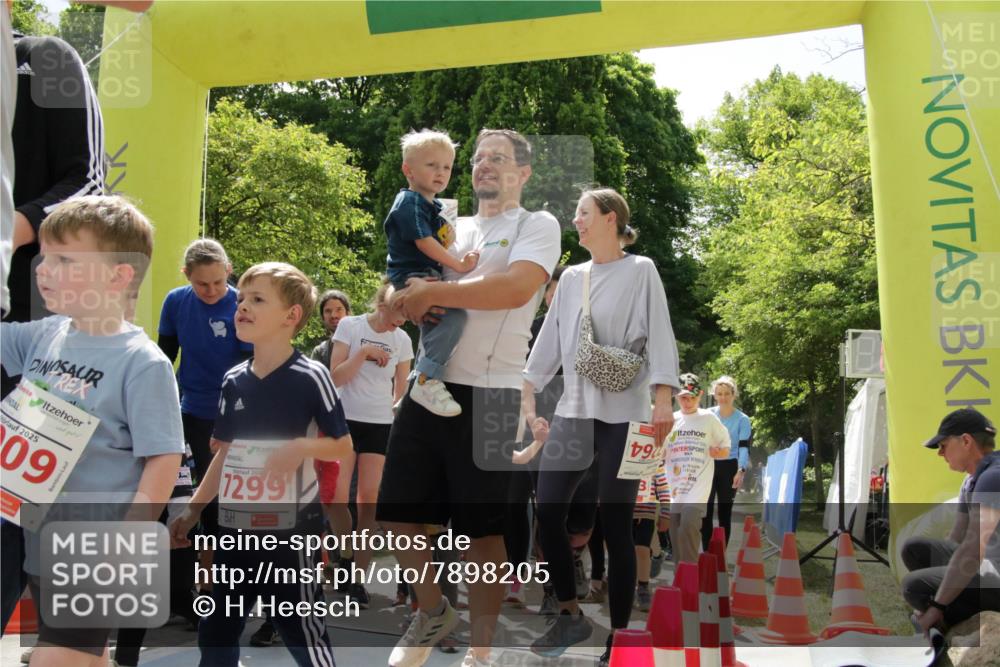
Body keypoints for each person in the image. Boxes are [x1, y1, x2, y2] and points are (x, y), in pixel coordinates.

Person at [378, 128, 561, 667]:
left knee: (482, 534)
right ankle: (432, 611)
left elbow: (514, 288)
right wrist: (397, 296)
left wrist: (434, 291)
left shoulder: (537, 224)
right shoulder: (444, 222)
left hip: (493, 394)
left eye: (498, 159)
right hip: (428, 388)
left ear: (523, 174)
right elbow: (395, 285)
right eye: (479, 158)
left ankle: (479, 655)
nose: (483, 166)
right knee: (395, 515)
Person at [1, 195, 184, 666]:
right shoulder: (44, 334)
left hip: (96, 550)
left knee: (55, 660)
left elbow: (162, 458)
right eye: (43, 256)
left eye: (64, 259)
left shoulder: (142, 362)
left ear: (118, 275)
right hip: (40, 542)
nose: (43, 269)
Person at [169, 261, 353, 667]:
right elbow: (227, 453)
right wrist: (195, 508)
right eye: (241, 300)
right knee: (215, 632)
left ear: (292, 316)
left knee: (303, 632)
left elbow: (342, 446)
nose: (242, 307)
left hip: (291, 536)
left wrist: (299, 450)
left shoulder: (311, 376)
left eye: (257, 299)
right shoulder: (233, 379)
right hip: (235, 533)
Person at [523, 187, 680, 663]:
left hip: (628, 413)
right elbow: (548, 342)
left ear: (610, 219)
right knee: (548, 509)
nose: (577, 221)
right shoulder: (571, 278)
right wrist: (525, 392)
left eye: (584, 214)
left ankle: (620, 636)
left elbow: (660, 333)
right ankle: (569, 613)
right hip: (574, 409)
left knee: (617, 521)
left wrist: (663, 400)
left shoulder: (642, 270)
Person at [2, 29, 106, 633]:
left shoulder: (42, 59)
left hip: (32, 337)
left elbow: (88, 182)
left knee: (34, 519)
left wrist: (8, 233)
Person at [329, 278, 413, 606]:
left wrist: (395, 413)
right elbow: (335, 376)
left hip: (379, 423)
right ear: (381, 308)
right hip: (345, 420)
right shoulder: (350, 326)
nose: (400, 323)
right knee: (336, 499)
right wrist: (364, 351)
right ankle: (346, 558)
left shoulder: (403, 339)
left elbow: (401, 389)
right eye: (396, 316)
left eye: (404, 317)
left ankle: (358, 581)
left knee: (368, 503)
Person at [384, 129, 479, 417]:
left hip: (423, 277)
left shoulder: (434, 204)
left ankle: (420, 382)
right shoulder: (410, 202)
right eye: (431, 165)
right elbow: (424, 241)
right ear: (408, 170)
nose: (441, 173)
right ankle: (426, 378)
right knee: (453, 318)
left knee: (439, 325)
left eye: (447, 167)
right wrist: (458, 264)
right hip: (414, 277)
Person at [904, 408, 1000, 634]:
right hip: (988, 567)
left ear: (966, 441)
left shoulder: (992, 478)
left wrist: (936, 605)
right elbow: (956, 537)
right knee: (915, 549)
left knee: (914, 587)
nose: (940, 453)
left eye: (943, 446)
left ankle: (944, 619)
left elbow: (972, 549)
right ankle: (949, 615)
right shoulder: (973, 479)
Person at [666, 373, 730, 566]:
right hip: (674, 488)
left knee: (688, 526)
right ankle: (681, 579)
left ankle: (691, 578)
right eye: (683, 397)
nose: (687, 402)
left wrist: (717, 452)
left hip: (697, 488)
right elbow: (658, 449)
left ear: (700, 395)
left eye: (692, 397)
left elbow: (726, 449)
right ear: (676, 396)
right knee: (676, 534)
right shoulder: (671, 419)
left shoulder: (708, 419)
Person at [701, 375, 752, 550]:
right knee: (705, 513)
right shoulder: (707, 415)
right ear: (714, 395)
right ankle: (707, 552)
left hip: (729, 466)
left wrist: (741, 470)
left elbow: (744, 447)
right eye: (719, 393)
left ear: (733, 395)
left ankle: (720, 554)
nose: (723, 397)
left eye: (727, 394)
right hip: (708, 466)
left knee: (724, 513)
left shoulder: (743, 419)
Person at [311, 289, 351, 369]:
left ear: (348, 313)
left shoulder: (361, 342)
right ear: (323, 317)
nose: (333, 315)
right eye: (328, 311)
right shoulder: (320, 352)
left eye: (339, 309)